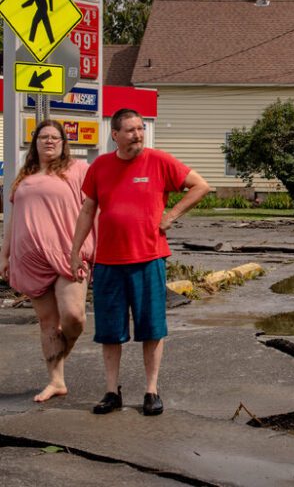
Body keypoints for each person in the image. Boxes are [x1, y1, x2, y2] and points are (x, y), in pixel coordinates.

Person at [69, 108, 210, 416]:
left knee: (151, 327)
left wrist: (171, 215)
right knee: (109, 330)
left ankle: (151, 390)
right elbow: (86, 211)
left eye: (140, 129)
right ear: (115, 135)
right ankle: (111, 391)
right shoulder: (100, 166)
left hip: (148, 258)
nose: (137, 135)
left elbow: (201, 186)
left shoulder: (159, 161)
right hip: (108, 261)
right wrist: (75, 249)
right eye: (130, 130)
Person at [0, 120, 95, 402]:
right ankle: (56, 380)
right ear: (35, 142)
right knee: (47, 322)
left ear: (64, 143)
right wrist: (4, 255)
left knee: (74, 317)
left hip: (68, 254)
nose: (50, 141)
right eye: (44, 137)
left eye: (56, 137)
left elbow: (93, 208)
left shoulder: (78, 170)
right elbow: (13, 220)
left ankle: (61, 351)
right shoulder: (24, 176)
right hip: (29, 257)